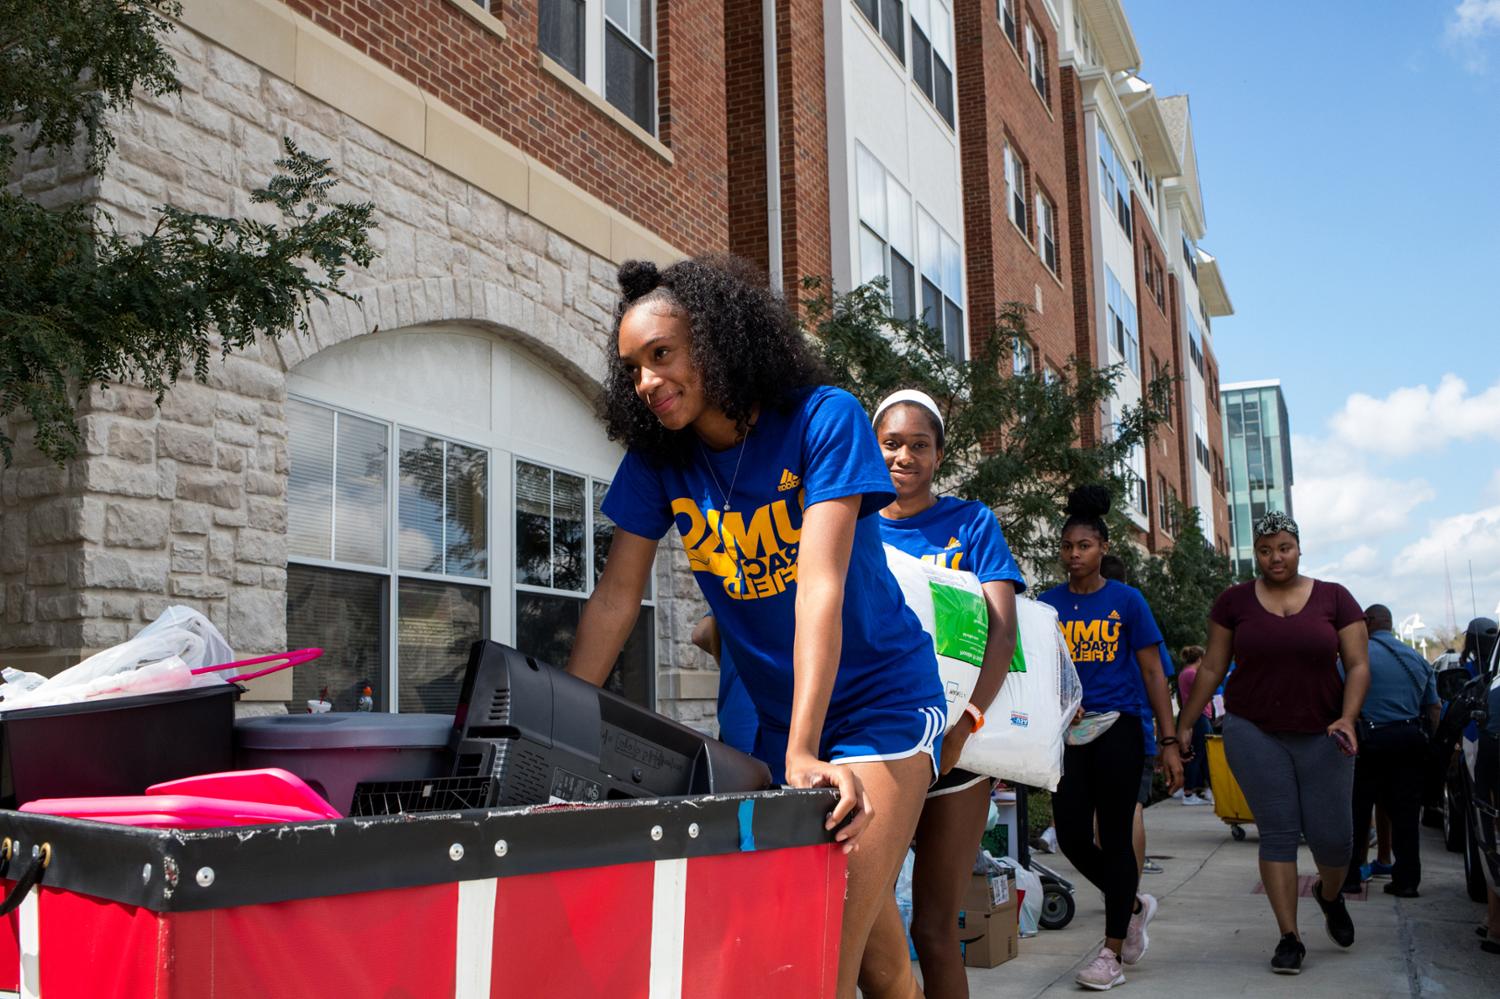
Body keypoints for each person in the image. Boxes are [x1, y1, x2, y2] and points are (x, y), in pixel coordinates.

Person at [564, 256, 945, 999]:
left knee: (811, 956)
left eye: (662, 355)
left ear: (714, 341)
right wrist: (566, 718)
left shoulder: (821, 418)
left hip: (881, 703)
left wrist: (804, 747)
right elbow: (616, 595)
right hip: (781, 718)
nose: (647, 380)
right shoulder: (660, 462)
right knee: (879, 963)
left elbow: (820, 586)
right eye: (634, 366)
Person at [870, 390, 1023, 998]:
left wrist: (969, 722)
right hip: (874, 746)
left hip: (955, 755)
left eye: (919, 445)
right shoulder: (847, 520)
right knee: (865, 917)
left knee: (934, 929)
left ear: (938, 455)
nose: (904, 456)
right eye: (891, 443)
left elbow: (1002, 632)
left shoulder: (971, 523)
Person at [1175, 511, 1370, 976]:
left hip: (1325, 732)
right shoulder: (1233, 602)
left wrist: (1347, 718)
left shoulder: (1335, 598)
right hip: (1253, 729)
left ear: (1298, 548)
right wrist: (1184, 724)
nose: (1275, 557)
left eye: (1283, 548)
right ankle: (1290, 937)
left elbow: (1358, 664)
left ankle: (1329, 894)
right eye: (1265, 550)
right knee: (1279, 832)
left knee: (1334, 841)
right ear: (1255, 553)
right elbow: (1211, 668)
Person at [1039, 486, 1182, 991]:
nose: (1074, 555)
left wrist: (1168, 741)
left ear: (1102, 549)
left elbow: (1151, 673)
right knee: (1074, 837)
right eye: (1067, 546)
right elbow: (1040, 672)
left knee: (1115, 837)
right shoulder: (1046, 605)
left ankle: (1111, 952)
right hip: (1068, 733)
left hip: (1118, 728)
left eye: (1084, 546)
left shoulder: (1126, 601)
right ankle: (1134, 903)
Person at [1342, 603, 1439, 898]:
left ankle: (1350, 877)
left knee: (1357, 812)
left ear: (1368, 622)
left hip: (1368, 743)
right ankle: (1407, 881)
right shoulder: (1417, 659)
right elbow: (1433, 708)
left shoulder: (1355, 657)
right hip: (1409, 742)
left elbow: (1337, 695)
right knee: (1406, 815)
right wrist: (1429, 742)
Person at [1098, 554, 1170, 874]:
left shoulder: (1089, 616)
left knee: (1102, 811)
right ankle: (1129, 893)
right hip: (1135, 728)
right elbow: (1159, 674)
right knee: (1131, 809)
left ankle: (1112, 888)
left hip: (1090, 727)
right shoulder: (1136, 615)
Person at [691, 614, 758, 755]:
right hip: (765, 728)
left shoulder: (733, 596)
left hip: (733, 724)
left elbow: (700, 633)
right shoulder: (795, 594)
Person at [1176, 646, 1214, 805]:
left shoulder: (1185, 673)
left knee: (1205, 756)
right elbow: (1208, 688)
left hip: (1198, 716)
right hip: (1199, 716)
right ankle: (1189, 793)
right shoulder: (1192, 674)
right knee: (1198, 755)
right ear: (1200, 658)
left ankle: (1211, 790)